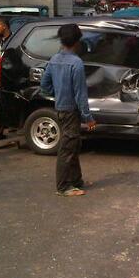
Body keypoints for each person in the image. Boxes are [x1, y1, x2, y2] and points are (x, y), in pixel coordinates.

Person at [40, 24, 96, 197]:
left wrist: (58, 93)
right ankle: (63, 186)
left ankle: (76, 180)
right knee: (67, 148)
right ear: (77, 41)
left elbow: (44, 85)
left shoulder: (54, 59)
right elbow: (80, 95)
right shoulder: (76, 63)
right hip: (72, 110)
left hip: (61, 108)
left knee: (73, 144)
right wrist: (88, 117)